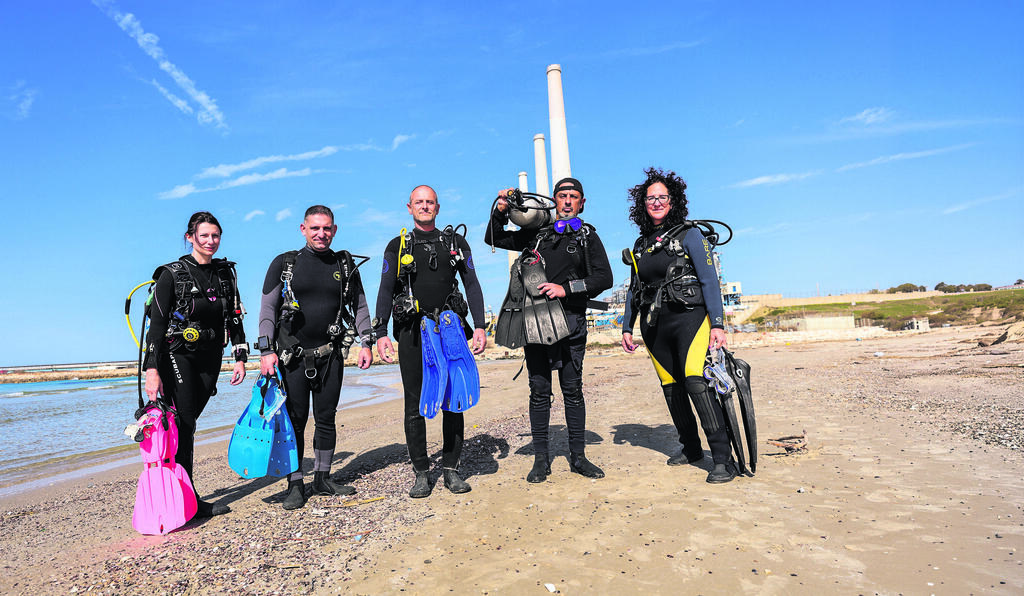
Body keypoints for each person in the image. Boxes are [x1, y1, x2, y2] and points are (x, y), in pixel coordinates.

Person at [485, 177, 614, 483]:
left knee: (572, 390)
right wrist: (501, 210)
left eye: (573, 197)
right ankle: (541, 460)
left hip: (571, 322)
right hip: (536, 324)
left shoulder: (587, 237)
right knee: (539, 391)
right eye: (562, 196)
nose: (567, 201)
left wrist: (566, 288)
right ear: (554, 201)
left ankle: (578, 458)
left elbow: (604, 278)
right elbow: (494, 237)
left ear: (582, 202)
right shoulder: (536, 235)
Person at [620, 167, 735, 483]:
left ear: (673, 200)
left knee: (695, 381)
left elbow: (709, 280)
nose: (656, 202)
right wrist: (627, 328)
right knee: (671, 388)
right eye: (650, 198)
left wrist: (718, 324)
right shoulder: (640, 244)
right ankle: (691, 448)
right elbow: (634, 289)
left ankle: (723, 460)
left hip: (690, 319)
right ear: (642, 203)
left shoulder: (690, 234)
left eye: (662, 197)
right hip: (654, 326)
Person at [257, 205, 374, 510]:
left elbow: (360, 306)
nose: (321, 234)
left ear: (334, 230)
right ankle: (295, 483)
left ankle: (322, 478)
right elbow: (268, 309)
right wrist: (266, 351)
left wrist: (366, 341)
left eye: (327, 228)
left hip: (330, 355)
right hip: (292, 357)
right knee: (295, 421)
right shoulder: (286, 264)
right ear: (303, 229)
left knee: (326, 417)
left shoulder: (345, 264)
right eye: (315, 228)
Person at [374, 185, 487, 498]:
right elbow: (385, 290)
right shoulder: (396, 246)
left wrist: (479, 326)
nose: (424, 207)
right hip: (413, 330)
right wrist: (380, 332)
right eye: (419, 202)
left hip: (449, 328)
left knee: (454, 398)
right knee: (415, 402)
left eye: (430, 202)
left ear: (438, 207)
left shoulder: (455, 242)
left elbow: (473, 284)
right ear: (409, 207)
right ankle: (422, 472)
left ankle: (451, 469)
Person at [143, 211, 248, 517]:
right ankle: (187, 499)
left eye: (215, 235)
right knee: (184, 421)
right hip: (178, 355)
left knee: (187, 423)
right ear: (190, 237)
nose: (210, 241)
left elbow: (235, 316)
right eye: (204, 236)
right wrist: (152, 370)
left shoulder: (225, 274)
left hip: (211, 356)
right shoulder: (170, 274)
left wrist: (240, 357)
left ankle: (175, 491)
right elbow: (157, 328)